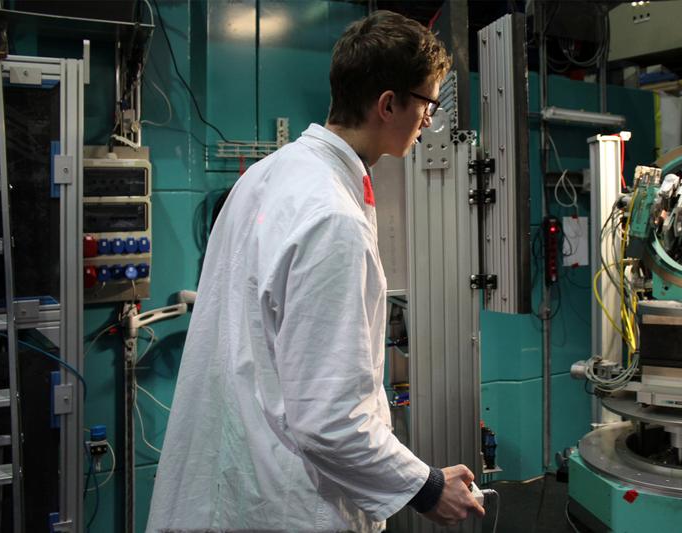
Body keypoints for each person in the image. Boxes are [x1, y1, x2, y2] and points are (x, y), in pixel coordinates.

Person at [146, 9, 485, 533]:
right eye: (428, 103)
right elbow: (329, 420)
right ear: (388, 104)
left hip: (230, 487)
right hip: (281, 503)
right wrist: (427, 488)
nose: (430, 119)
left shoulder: (267, 175)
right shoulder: (333, 219)